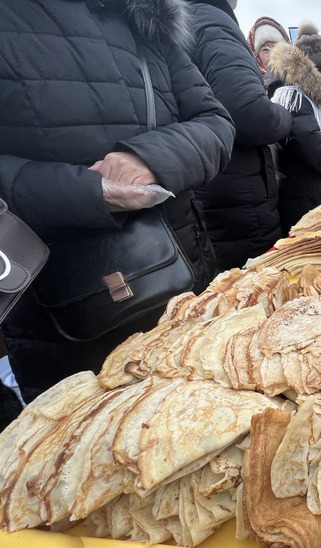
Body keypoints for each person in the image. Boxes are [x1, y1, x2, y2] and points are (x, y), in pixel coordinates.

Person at [0, 0, 235, 405]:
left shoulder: (147, 17)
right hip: (68, 321)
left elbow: (217, 123)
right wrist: (83, 192)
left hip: (185, 283)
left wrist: (151, 158)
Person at [187, 0, 293, 272]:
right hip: (238, 204)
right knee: (253, 295)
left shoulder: (187, 20)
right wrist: (285, 115)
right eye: (264, 47)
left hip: (214, 198)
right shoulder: (212, 20)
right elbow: (251, 115)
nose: (270, 54)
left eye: (276, 47)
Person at [267, 22, 321, 232]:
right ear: (316, 73)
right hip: (301, 206)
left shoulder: (311, 103)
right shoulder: (295, 100)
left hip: (311, 200)